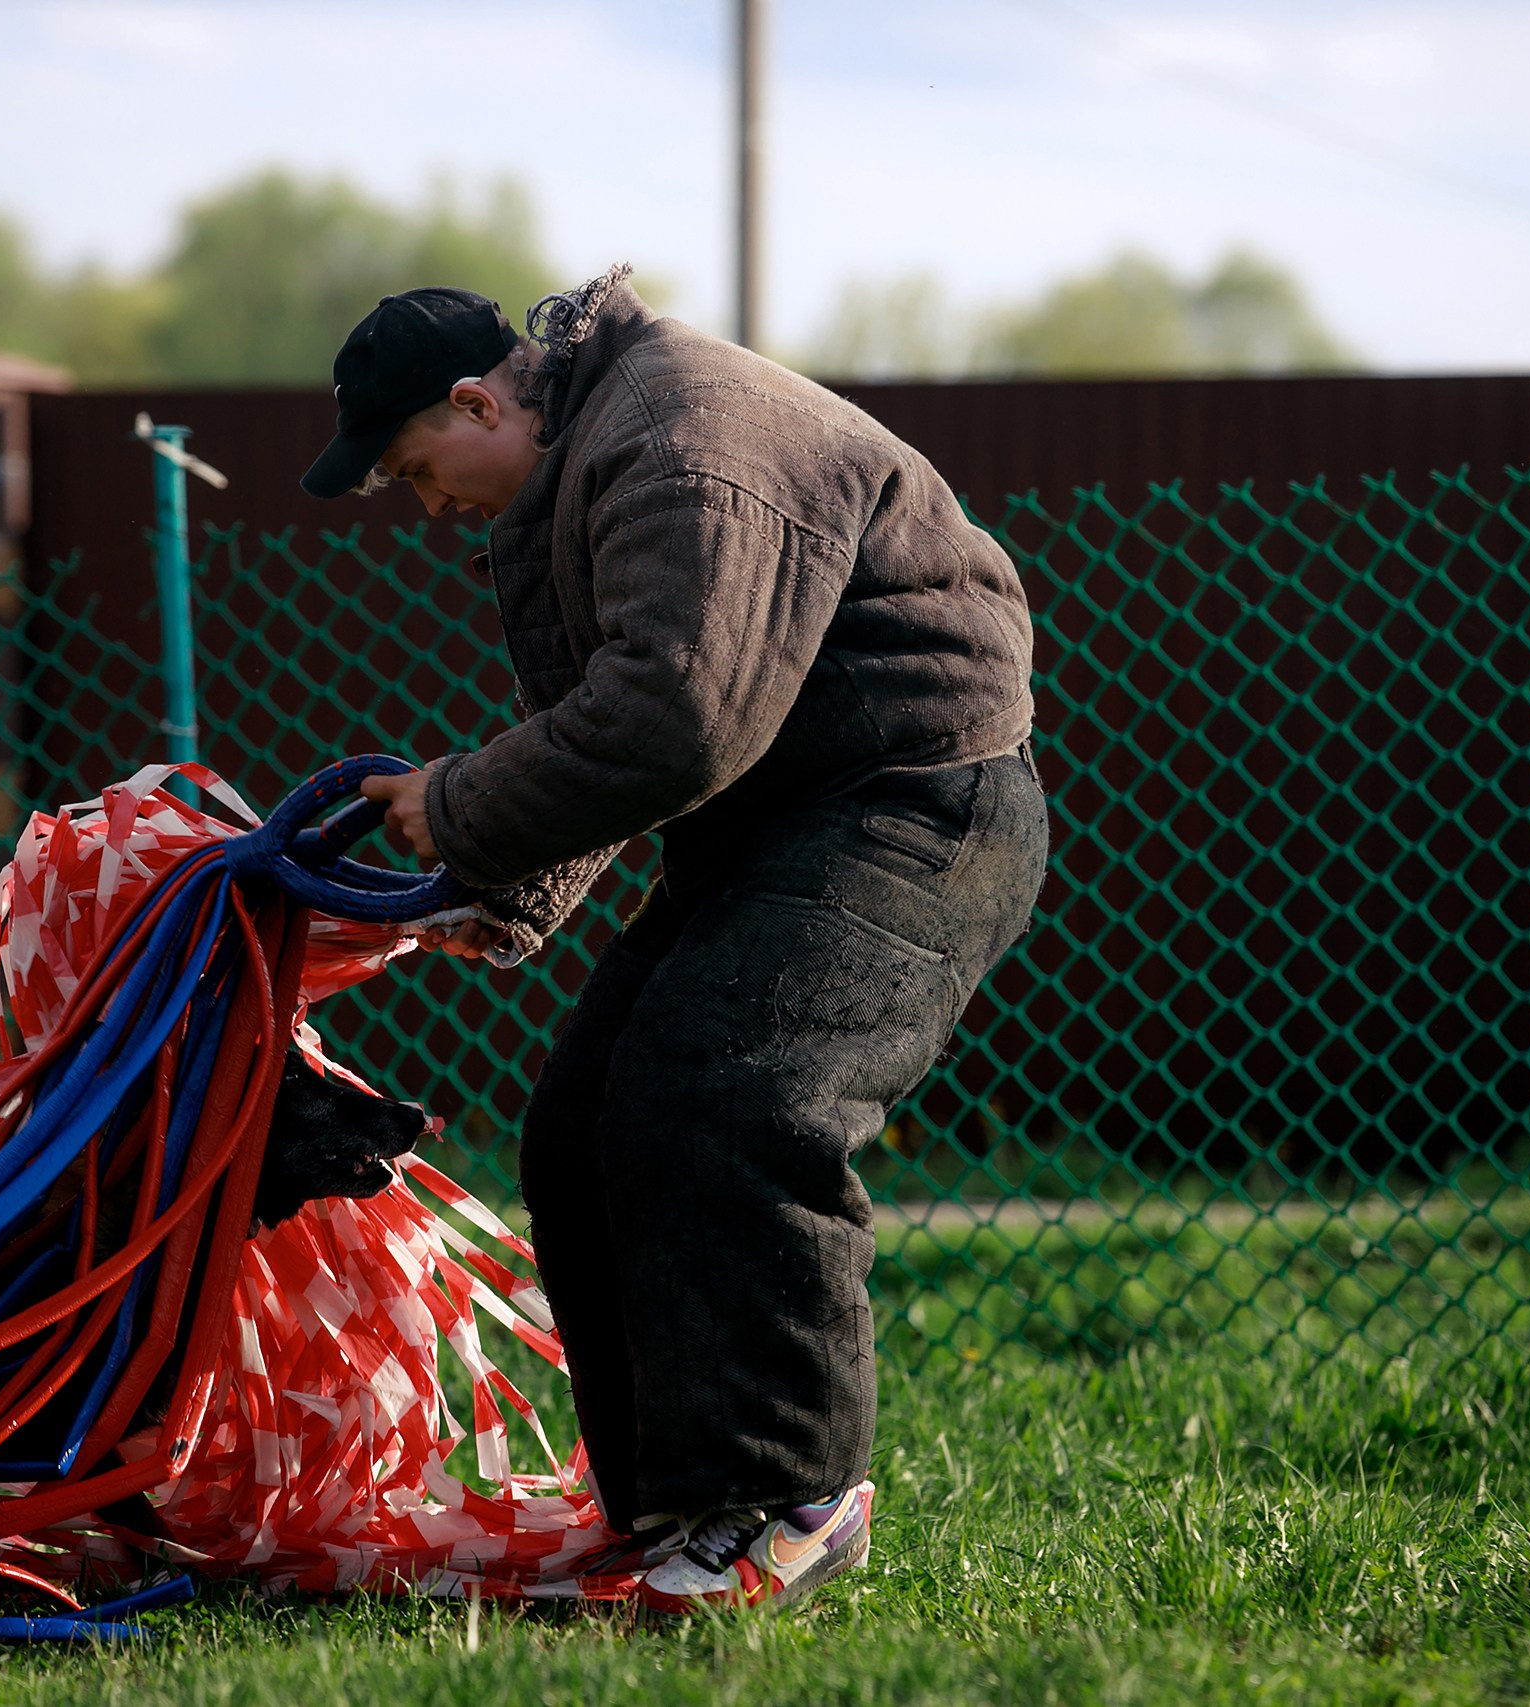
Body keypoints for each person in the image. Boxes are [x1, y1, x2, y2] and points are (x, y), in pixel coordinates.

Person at [302, 268, 1047, 1615]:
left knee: (723, 1100)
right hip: (777, 823)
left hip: (916, 803)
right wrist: (497, 890)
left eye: (419, 467)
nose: (428, 507)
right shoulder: (581, 457)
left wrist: (463, 804)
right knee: (583, 1126)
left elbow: (675, 721)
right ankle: (668, 1519)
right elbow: (622, 723)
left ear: (479, 399)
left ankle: (782, 1503)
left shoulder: (678, 440)